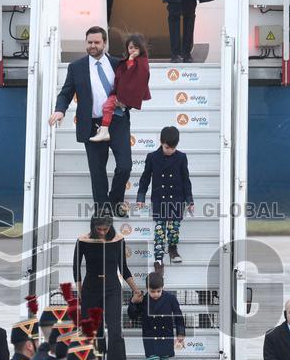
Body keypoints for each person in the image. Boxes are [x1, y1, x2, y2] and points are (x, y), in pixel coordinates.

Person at [49, 26, 133, 218]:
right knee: (97, 171)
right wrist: (60, 110)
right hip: (91, 124)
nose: (93, 46)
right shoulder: (76, 67)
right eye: (89, 42)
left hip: (117, 121)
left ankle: (115, 201)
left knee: (125, 166)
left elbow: (132, 88)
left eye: (96, 42)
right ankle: (103, 208)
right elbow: (66, 93)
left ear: (105, 43)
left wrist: (127, 100)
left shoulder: (118, 64)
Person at [73, 214, 144, 360]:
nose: (103, 232)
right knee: (92, 335)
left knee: (115, 333)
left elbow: (124, 268)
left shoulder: (119, 240)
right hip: (90, 289)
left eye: (106, 229)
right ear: (93, 227)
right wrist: (80, 293)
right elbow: (76, 269)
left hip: (112, 288)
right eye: (99, 229)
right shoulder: (83, 240)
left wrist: (135, 289)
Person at [135, 125, 194, 274]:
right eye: (167, 147)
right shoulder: (152, 157)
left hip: (176, 199)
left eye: (173, 148)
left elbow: (186, 180)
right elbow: (145, 178)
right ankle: (159, 260)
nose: (170, 150)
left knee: (174, 229)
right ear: (161, 142)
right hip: (159, 200)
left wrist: (189, 200)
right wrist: (141, 196)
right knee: (160, 231)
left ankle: (173, 248)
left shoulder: (181, 157)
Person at [127, 271, 185, 360]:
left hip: (166, 335)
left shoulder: (170, 298)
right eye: (152, 291)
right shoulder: (143, 299)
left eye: (158, 291)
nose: (155, 294)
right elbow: (132, 315)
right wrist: (133, 302)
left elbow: (178, 316)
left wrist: (180, 333)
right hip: (150, 336)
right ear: (147, 288)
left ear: (163, 287)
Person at [89, 34, 151, 144]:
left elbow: (134, 77)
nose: (133, 50)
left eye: (136, 48)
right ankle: (104, 129)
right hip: (119, 93)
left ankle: (104, 130)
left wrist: (127, 101)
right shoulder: (123, 61)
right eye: (131, 47)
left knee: (107, 107)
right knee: (107, 107)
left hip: (124, 97)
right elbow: (122, 76)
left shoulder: (141, 63)